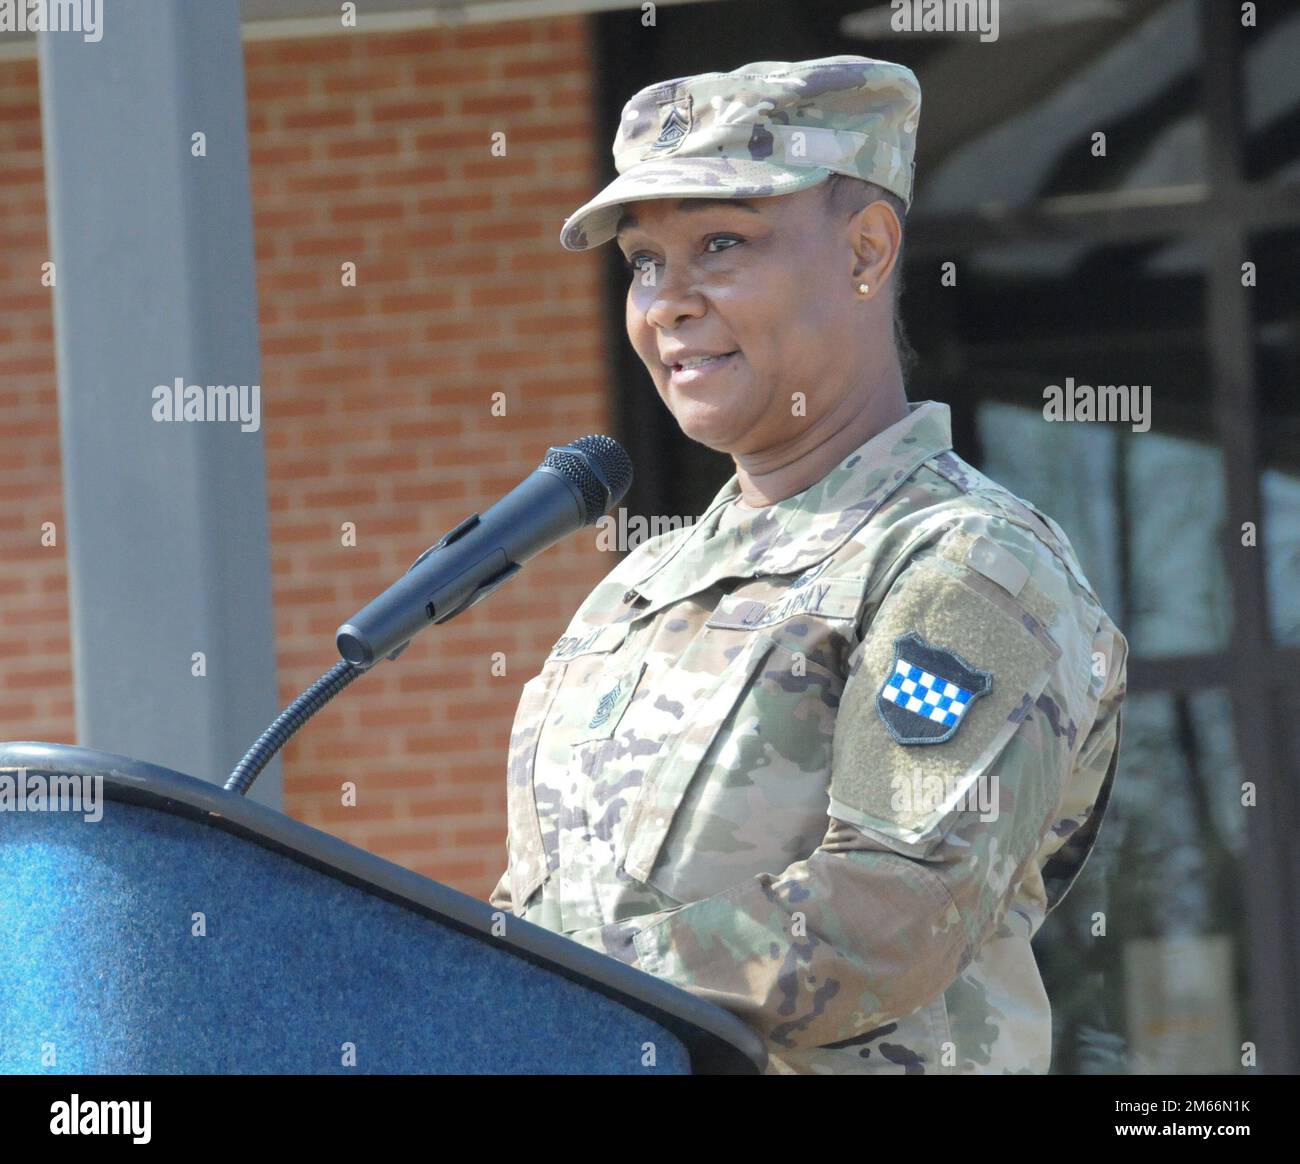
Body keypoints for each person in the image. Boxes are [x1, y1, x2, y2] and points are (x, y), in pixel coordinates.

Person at [489, 54, 1129, 1075]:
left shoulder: (965, 565)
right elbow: (538, 905)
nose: (667, 302)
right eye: (645, 261)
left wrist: (532, 989)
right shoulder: (633, 598)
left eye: (721, 245)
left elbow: (887, 915)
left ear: (867, 250)